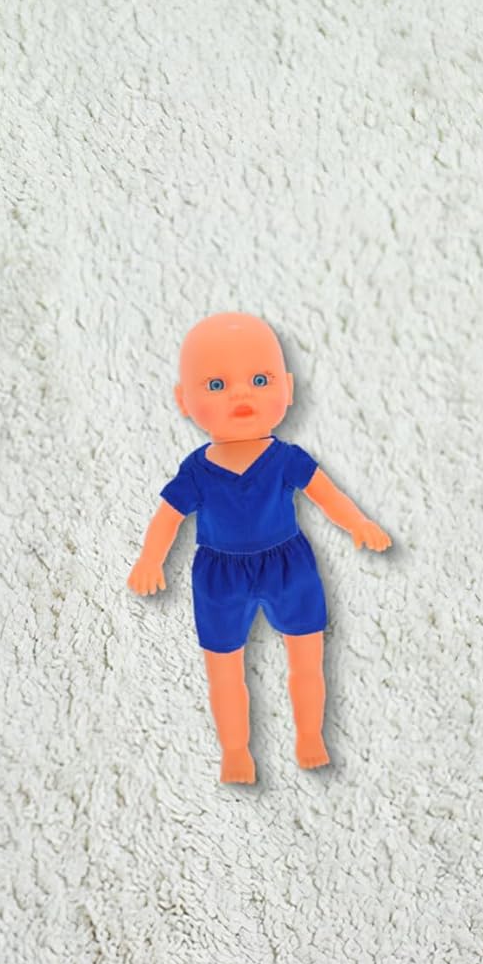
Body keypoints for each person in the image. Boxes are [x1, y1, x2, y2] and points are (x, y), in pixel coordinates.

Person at [127, 311, 392, 784]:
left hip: (288, 565)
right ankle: (235, 751)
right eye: (216, 385)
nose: (241, 394)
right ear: (183, 400)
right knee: (225, 671)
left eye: (260, 379)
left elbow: (327, 495)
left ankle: (309, 736)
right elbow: (168, 516)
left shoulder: (286, 459)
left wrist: (359, 523)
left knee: (307, 661)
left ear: (287, 389)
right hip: (219, 576)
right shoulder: (196, 471)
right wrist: (150, 559)